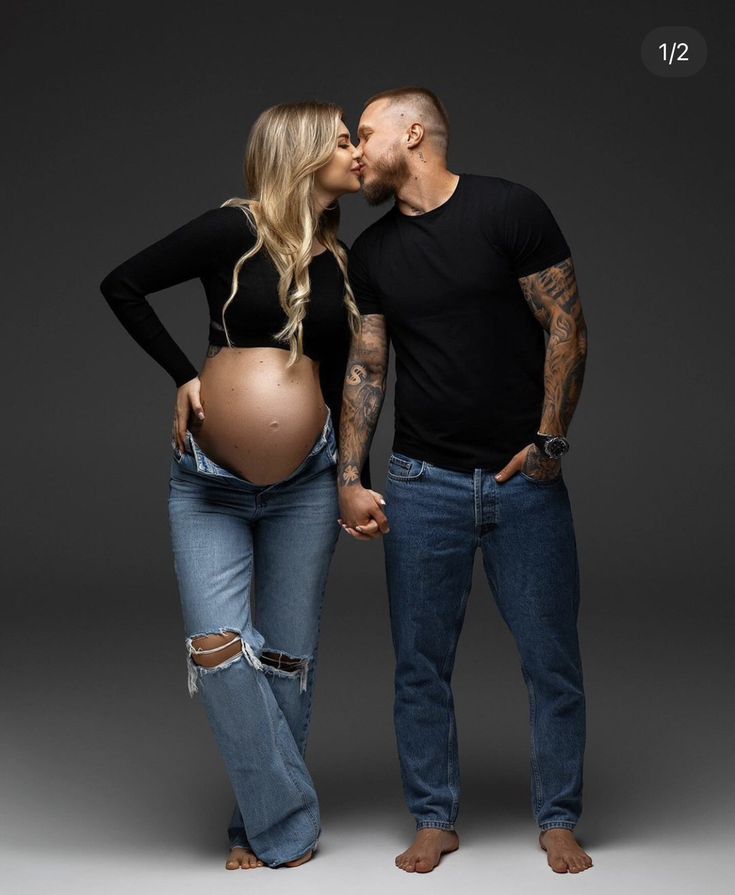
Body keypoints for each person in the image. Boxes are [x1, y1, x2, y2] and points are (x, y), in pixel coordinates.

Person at [99, 101, 380, 870]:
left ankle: (253, 830)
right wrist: (184, 376)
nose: (358, 151)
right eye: (344, 140)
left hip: (307, 483)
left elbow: (358, 377)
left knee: (287, 661)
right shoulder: (233, 228)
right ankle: (288, 824)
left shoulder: (339, 256)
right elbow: (121, 283)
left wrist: (356, 476)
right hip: (209, 479)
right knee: (217, 648)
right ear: (301, 151)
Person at [337, 86, 593, 875]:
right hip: (421, 482)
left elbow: (565, 323)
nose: (355, 150)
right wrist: (350, 474)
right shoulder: (373, 251)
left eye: (366, 133)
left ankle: (556, 817)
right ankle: (433, 815)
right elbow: (367, 364)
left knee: (550, 657)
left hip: (523, 481)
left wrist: (550, 440)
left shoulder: (509, 209)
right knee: (418, 663)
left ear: (412, 134)